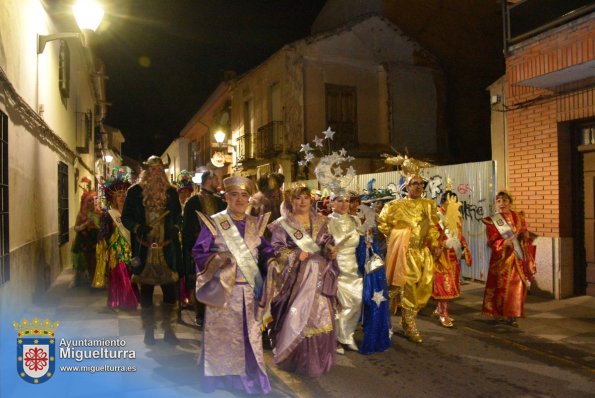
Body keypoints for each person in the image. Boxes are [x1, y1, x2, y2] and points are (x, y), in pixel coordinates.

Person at [192, 176, 275, 395]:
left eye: (244, 195)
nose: (239, 199)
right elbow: (199, 253)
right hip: (224, 292)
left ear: (249, 199)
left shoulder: (255, 224)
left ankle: (248, 378)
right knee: (223, 338)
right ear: (226, 197)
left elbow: (266, 250)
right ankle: (222, 378)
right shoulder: (214, 222)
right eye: (234, 195)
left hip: (249, 292)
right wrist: (219, 259)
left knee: (250, 338)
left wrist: (274, 260)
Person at [267, 186, 338, 376]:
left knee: (322, 315)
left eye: (306, 198)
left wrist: (331, 250)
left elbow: (326, 243)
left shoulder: (322, 221)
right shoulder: (282, 224)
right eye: (298, 198)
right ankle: (296, 357)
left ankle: (318, 359)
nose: (302, 202)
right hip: (297, 278)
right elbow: (276, 249)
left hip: (320, 274)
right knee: (297, 315)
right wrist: (295, 255)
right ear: (291, 201)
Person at [121, 155, 183, 345]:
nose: (156, 173)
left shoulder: (172, 193)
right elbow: (126, 218)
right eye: (152, 170)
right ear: (146, 171)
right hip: (144, 250)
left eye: (159, 170)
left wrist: (175, 228)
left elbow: (179, 217)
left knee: (170, 292)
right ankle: (149, 331)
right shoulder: (135, 192)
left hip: (167, 251)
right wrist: (139, 228)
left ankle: (169, 330)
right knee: (146, 291)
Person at [378, 172, 441, 343]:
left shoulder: (428, 205)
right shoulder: (396, 205)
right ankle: (408, 323)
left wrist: (434, 243)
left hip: (422, 253)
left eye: (421, 183)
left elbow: (433, 227)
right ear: (407, 186)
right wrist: (398, 239)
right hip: (405, 254)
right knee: (409, 288)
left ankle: (398, 317)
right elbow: (383, 224)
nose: (418, 186)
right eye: (414, 183)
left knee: (424, 288)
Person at [481, 190, 536, 327]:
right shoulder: (493, 221)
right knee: (501, 288)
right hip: (501, 260)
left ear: (511, 203)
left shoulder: (518, 217)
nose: (501, 204)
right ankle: (500, 314)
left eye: (505, 201)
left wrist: (525, 236)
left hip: (517, 259)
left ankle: (513, 313)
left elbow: (524, 234)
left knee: (517, 287)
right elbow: (492, 242)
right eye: (498, 201)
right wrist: (504, 243)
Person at [181, 170, 226, 327]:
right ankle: (200, 314)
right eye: (216, 179)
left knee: (217, 281)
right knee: (201, 281)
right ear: (209, 180)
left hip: (218, 249)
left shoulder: (220, 203)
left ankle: (215, 313)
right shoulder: (193, 202)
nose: (218, 182)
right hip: (200, 249)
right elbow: (186, 228)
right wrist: (194, 248)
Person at [92, 168, 139, 311]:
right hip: (115, 250)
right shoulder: (108, 215)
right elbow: (103, 234)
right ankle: (120, 302)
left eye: (124, 194)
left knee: (130, 275)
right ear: (113, 197)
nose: (122, 197)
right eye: (119, 195)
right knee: (118, 274)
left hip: (130, 249)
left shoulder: (132, 213)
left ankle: (126, 300)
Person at [328, 193, 364, 354]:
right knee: (337, 305)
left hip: (353, 268)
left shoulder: (355, 221)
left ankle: (347, 335)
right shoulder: (326, 221)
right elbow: (320, 243)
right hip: (334, 267)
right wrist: (328, 253)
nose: (344, 204)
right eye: (339, 201)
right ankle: (335, 338)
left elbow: (362, 245)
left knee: (357, 300)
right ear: (332, 203)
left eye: (347, 201)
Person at [355, 201, 392, 355]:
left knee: (370, 299)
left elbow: (381, 243)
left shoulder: (370, 230)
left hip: (366, 265)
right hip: (345, 267)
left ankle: (371, 330)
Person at [431, 190, 472, 327]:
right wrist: (443, 244)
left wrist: (465, 249)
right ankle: (444, 315)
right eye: (449, 202)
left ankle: (439, 309)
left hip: (453, 257)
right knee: (445, 287)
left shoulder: (457, 217)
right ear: (443, 202)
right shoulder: (436, 217)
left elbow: (460, 236)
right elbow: (431, 238)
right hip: (441, 258)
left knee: (450, 286)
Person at [71, 190, 100, 286]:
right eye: (89, 201)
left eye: (93, 200)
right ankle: (92, 281)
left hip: (96, 240)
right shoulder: (81, 215)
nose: (92, 203)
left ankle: (95, 280)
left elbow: (102, 228)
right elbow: (76, 228)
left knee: (95, 261)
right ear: (85, 202)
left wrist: (95, 227)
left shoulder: (99, 214)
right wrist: (85, 225)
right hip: (85, 241)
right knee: (88, 261)